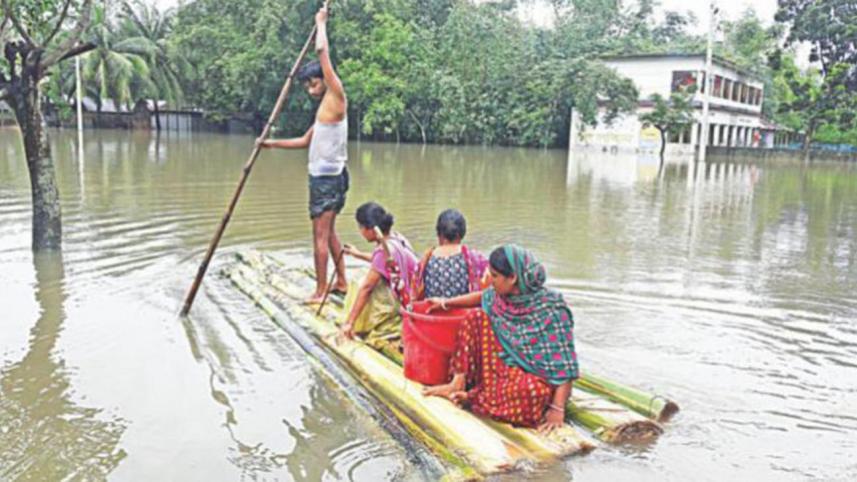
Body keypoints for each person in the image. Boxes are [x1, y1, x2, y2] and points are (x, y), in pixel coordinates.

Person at [423, 245, 579, 432]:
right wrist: (444, 303)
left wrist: (557, 409)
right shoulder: (500, 297)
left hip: (533, 376)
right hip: (506, 364)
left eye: (495, 276)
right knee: (475, 318)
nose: (491, 281)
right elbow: (481, 297)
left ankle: (476, 397)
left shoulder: (552, 310)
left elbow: (565, 366)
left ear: (512, 278)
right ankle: (458, 384)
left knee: (532, 392)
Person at [258, 6, 348, 303]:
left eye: (314, 83)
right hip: (329, 178)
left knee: (319, 237)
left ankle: (321, 290)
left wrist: (320, 23)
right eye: (307, 85)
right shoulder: (323, 110)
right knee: (330, 233)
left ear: (324, 79)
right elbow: (304, 141)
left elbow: (322, 50)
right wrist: (270, 144)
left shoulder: (336, 95)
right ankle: (342, 281)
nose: (311, 89)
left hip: (326, 181)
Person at [339, 202, 418, 349]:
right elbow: (382, 261)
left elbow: (366, 288)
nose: (360, 232)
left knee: (360, 283)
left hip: (407, 302)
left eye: (361, 227)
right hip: (413, 293)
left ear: (371, 230)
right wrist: (358, 254)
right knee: (366, 276)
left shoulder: (384, 250)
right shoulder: (395, 238)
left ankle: (362, 326)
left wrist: (349, 323)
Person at [412, 209, 488, 301]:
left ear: (439, 233)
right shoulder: (474, 257)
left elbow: (415, 294)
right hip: (464, 314)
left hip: (431, 313)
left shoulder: (426, 260)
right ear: (462, 233)